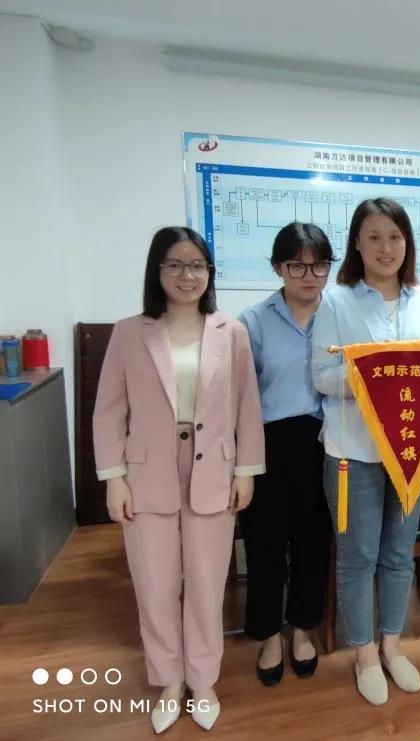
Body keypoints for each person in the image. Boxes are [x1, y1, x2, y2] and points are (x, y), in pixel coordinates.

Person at [93, 226, 265, 733]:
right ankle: (169, 680)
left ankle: (203, 680)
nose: (187, 275)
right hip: (147, 472)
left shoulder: (230, 332)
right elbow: (108, 411)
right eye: (175, 264)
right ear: (158, 271)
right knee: (154, 583)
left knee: (207, 583)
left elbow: (247, 406)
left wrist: (246, 470)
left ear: (209, 272)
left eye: (197, 265)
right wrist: (113, 478)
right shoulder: (130, 332)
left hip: (214, 468)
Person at [312, 198, 420, 706]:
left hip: (411, 449)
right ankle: (364, 654)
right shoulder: (336, 300)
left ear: (407, 242)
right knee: (358, 556)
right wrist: (376, 373)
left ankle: (392, 644)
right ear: (357, 244)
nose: (385, 247)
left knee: (398, 553)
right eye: (373, 237)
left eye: (394, 236)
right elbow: (322, 377)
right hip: (354, 451)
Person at [237, 223, 334, 686]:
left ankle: (302, 630)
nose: (309, 275)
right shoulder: (252, 322)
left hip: (324, 443)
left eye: (319, 265)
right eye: (297, 265)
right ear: (278, 268)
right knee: (266, 545)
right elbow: (240, 396)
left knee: (314, 543)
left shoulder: (338, 315)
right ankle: (268, 634)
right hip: (268, 444)